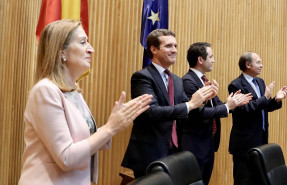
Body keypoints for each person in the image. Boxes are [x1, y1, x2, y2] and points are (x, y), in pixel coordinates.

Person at [18, 19, 152, 185]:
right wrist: (110, 128)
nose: (91, 49)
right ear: (61, 52)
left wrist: (114, 123)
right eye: (83, 43)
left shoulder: (73, 90)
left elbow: (84, 141)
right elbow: (66, 158)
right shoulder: (45, 91)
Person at [121, 29, 218, 178]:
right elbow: (151, 112)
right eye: (168, 46)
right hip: (150, 152)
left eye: (175, 46)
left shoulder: (177, 80)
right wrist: (191, 104)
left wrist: (203, 99)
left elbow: (189, 109)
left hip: (174, 151)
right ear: (153, 49)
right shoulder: (142, 77)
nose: (174, 50)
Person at [179, 42, 252, 185]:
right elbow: (198, 113)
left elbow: (219, 105)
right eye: (211, 57)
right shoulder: (188, 81)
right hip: (195, 144)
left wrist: (232, 103)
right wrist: (227, 106)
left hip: (208, 142)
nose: (213, 60)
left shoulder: (205, 81)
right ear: (200, 60)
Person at [228, 51, 287, 185]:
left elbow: (264, 106)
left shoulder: (260, 82)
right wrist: (265, 98)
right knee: (243, 180)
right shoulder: (236, 85)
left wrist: (276, 100)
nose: (262, 65)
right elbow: (244, 110)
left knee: (259, 179)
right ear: (248, 64)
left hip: (261, 138)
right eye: (258, 62)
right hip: (244, 141)